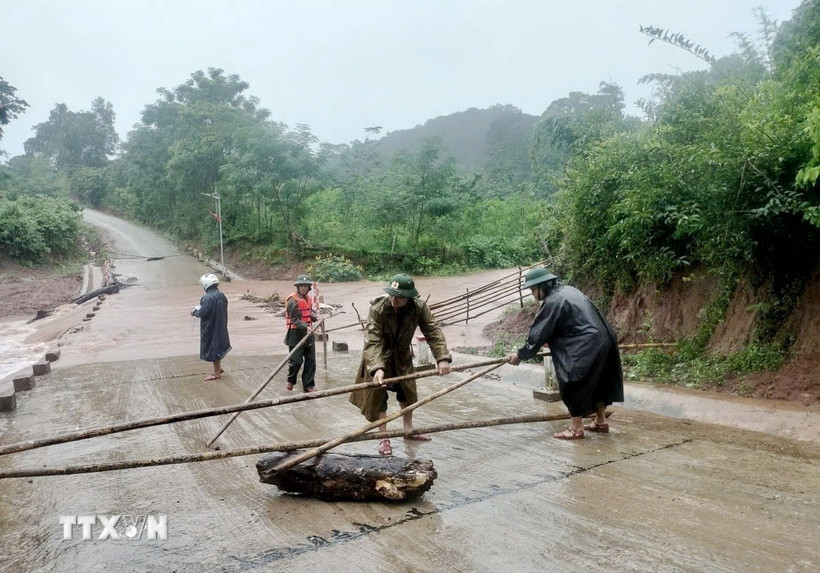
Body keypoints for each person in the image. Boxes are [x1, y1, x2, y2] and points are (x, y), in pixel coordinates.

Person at [508, 268, 624, 439]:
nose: (532, 294)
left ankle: (576, 429)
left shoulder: (553, 301)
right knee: (600, 381)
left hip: (585, 344)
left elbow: (538, 334)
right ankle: (600, 422)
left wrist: (520, 355)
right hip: (605, 339)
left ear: (543, 286)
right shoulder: (570, 291)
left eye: (533, 289)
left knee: (572, 382)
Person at [349, 273, 452, 456]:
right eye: (392, 295)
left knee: (408, 392)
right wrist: (377, 368)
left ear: (409, 297)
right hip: (379, 356)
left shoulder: (418, 307)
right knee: (378, 396)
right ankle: (384, 438)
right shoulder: (378, 309)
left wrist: (442, 357)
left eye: (399, 297)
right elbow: (373, 341)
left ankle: (408, 430)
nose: (394, 299)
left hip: (402, 356)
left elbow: (433, 330)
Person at [192, 273, 231, 381]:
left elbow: (203, 313)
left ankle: (216, 373)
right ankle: (218, 368)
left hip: (211, 327)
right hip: (221, 325)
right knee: (218, 347)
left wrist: (195, 312)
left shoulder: (207, 298)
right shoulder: (221, 295)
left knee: (213, 349)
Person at [283, 274, 317, 393]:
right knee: (296, 361)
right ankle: (291, 380)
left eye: (305, 286)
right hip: (295, 334)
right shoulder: (293, 301)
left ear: (308, 288)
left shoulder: (309, 299)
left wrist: (313, 316)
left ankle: (308, 385)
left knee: (311, 360)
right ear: (298, 287)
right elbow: (295, 319)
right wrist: (305, 327)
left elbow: (309, 311)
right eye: (301, 286)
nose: (303, 288)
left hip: (308, 334)